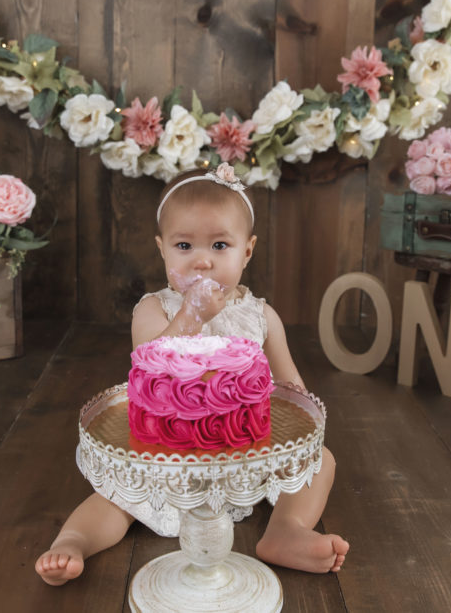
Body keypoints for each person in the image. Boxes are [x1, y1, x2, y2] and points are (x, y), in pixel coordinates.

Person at [35, 164, 349, 586]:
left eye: (220, 245)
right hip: (168, 446)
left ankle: (286, 531)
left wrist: (292, 440)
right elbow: (151, 360)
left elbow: (291, 391)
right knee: (118, 499)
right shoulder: (155, 308)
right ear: (162, 250)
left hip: (242, 450)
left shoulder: (261, 316)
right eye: (184, 245)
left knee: (321, 461)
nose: (202, 261)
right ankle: (74, 541)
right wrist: (191, 316)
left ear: (247, 252)